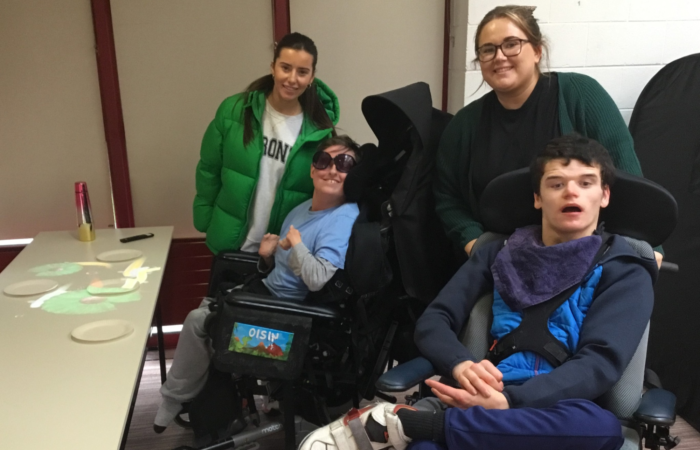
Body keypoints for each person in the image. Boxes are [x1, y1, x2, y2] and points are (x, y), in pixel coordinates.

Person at [299, 134, 657, 450]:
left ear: (604, 195)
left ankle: (413, 424)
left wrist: (509, 402)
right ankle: (427, 429)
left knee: (601, 427)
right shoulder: (497, 253)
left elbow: (600, 364)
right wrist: (461, 364)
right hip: (481, 391)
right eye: (556, 183)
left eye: (586, 182)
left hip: (559, 407)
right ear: (537, 197)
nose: (572, 192)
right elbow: (434, 321)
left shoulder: (625, 268)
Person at [155, 136, 361, 431]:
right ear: (312, 170)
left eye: (344, 164)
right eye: (323, 161)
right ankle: (213, 408)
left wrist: (298, 246)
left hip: (288, 321)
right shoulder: (302, 209)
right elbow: (284, 267)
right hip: (266, 296)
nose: (332, 170)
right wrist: (266, 258)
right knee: (207, 312)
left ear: (354, 175)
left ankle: (175, 398)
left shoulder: (343, 219)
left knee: (199, 322)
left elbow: (317, 280)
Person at [433, 5, 663, 267]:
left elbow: (628, 178)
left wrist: (649, 247)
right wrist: (475, 243)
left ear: (537, 50)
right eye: (488, 49)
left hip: (584, 259)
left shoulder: (582, 96)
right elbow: (447, 197)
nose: (499, 56)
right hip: (500, 261)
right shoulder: (464, 125)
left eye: (511, 44)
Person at [193, 32, 339, 257]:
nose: (292, 79)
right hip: (230, 242)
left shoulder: (320, 131)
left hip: (281, 253)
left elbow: (322, 195)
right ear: (273, 68)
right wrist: (205, 217)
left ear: (312, 77)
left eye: (302, 72)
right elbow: (209, 168)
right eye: (285, 68)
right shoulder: (234, 110)